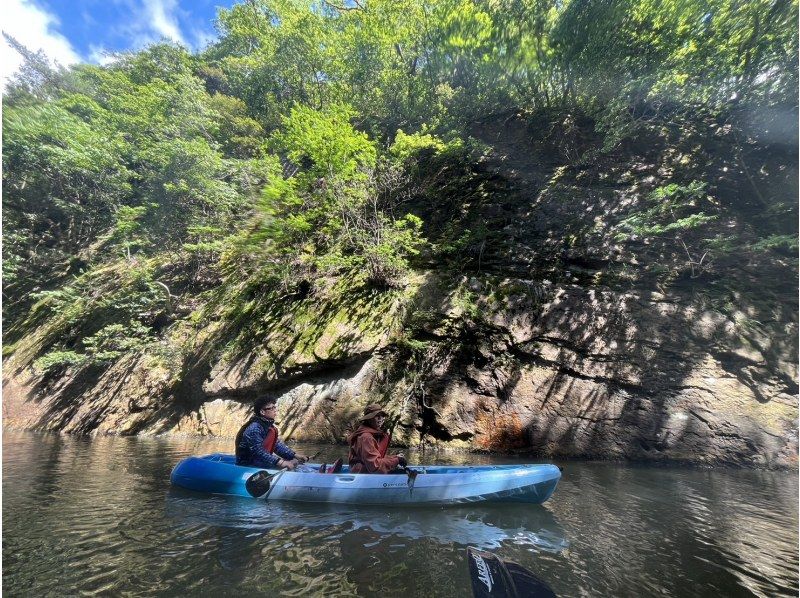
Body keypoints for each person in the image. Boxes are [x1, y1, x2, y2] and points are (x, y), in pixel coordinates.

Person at [235, 397, 307, 470]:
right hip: (247, 465)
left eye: (274, 407)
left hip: (260, 463)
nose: (275, 410)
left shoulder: (268, 427)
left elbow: (276, 445)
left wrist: (294, 456)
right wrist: (281, 462)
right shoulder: (254, 429)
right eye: (271, 408)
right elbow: (258, 451)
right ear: (262, 412)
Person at [347, 403, 407, 474]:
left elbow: (375, 458)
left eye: (382, 416)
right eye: (377, 416)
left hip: (363, 471)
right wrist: (397, 460)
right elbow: (375, 466)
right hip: (363, 474)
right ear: (369, 419)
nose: (380, 418)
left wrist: (395, 457)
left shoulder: (367, 434)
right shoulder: (366, 437)